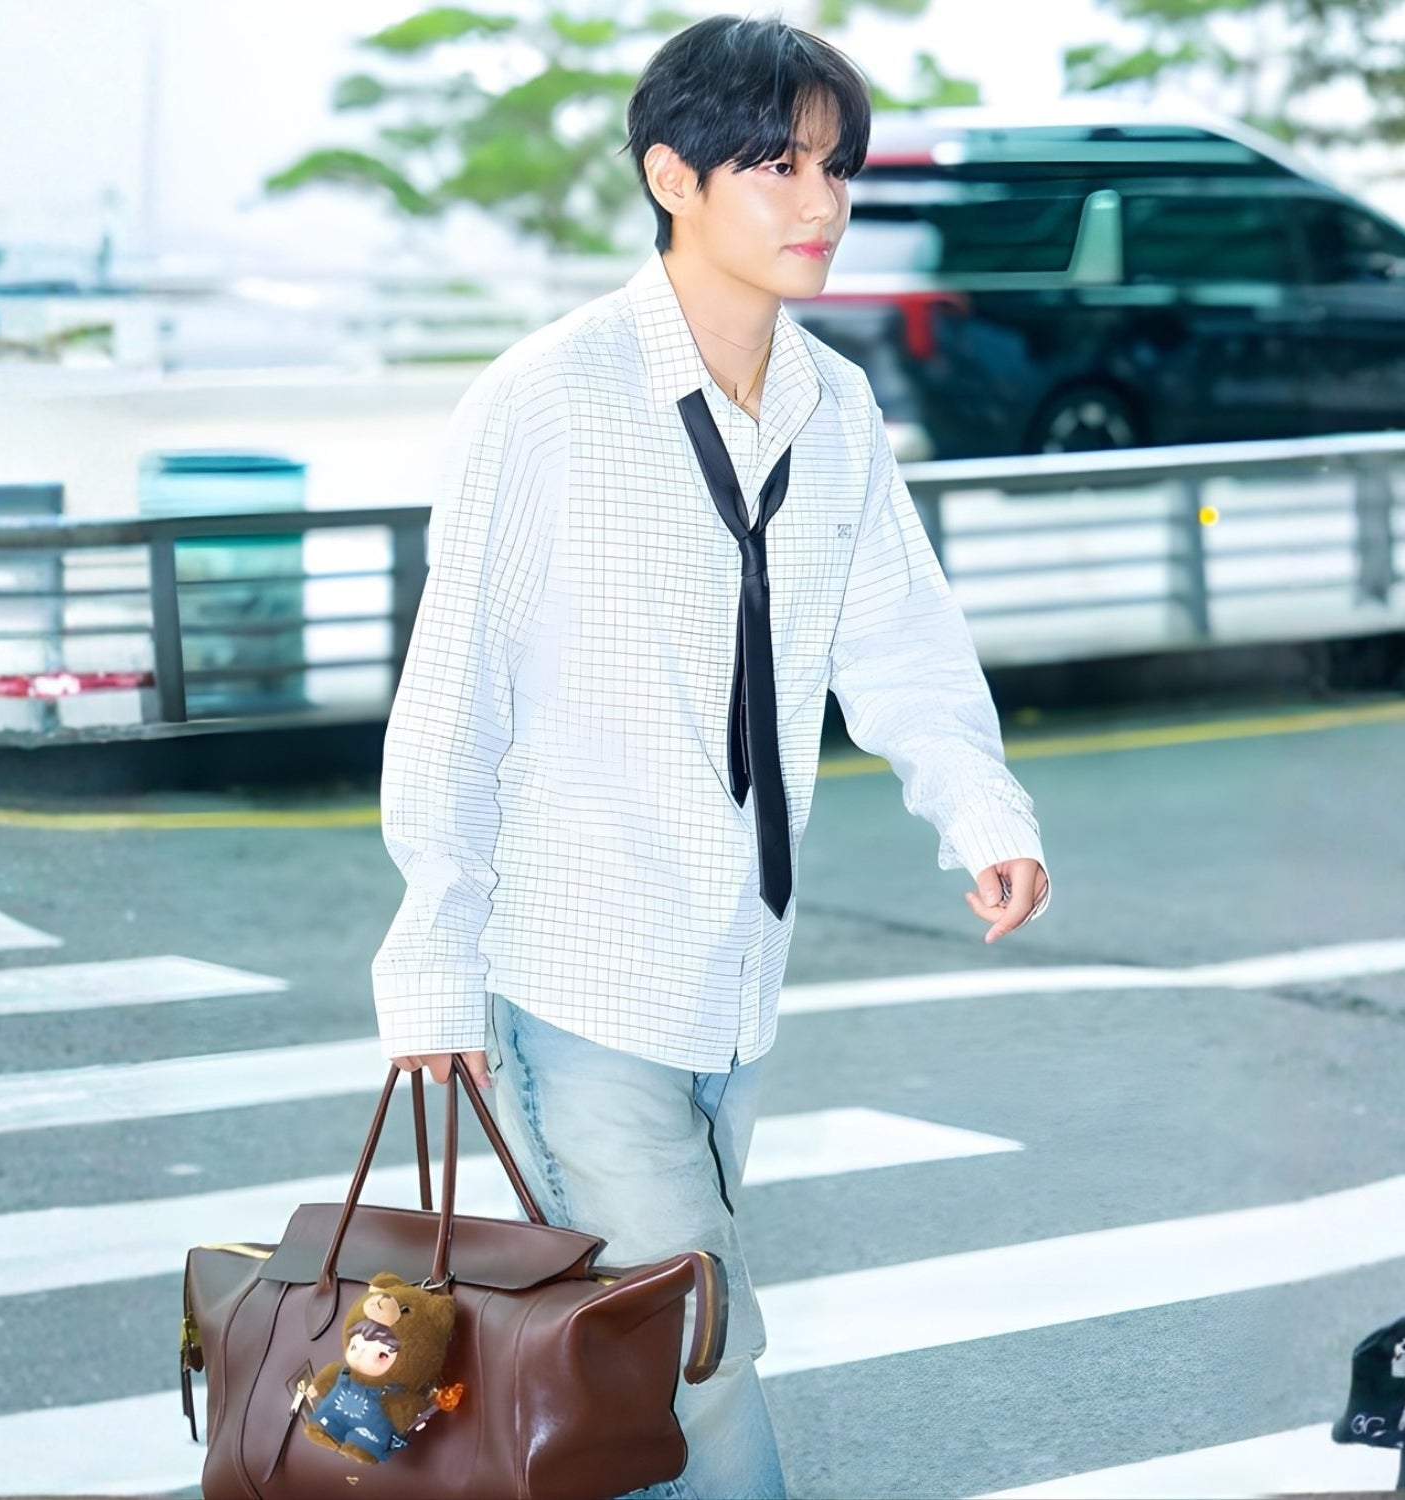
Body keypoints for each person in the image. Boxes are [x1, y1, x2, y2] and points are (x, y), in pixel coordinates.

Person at [367, 16, 1052, 1497]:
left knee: (626, 1369)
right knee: (693, 1343)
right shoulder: (549, 399)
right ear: (671, 176)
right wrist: (430, 967)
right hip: (578, 970)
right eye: (775, 165)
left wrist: (978, 809)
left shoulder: (832, 404)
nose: (820, 205)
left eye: (835, 168)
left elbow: (899, 644)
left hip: (735, 969)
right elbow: (453, 690)